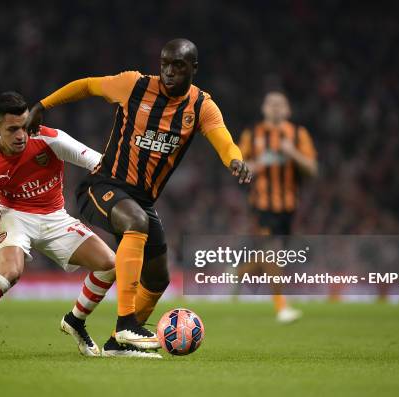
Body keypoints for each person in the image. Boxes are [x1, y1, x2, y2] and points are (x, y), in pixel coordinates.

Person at [24, 38, 252, 355]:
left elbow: (223, 138)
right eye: (165, 64)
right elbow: (88, 85)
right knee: (135, 221)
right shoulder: (134, 85)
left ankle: (117, 344)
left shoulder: (201, 107)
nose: (170, 72)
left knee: (158, 278)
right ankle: (126, 324)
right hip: (102, 187)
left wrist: (235, 160)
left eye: (179, 66)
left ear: (194, 68)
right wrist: (42, 106)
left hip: (141, 201)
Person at [0, 92, 119, 358]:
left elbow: (99, 163)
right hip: (16, 216)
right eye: (12, 129)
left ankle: (75, 320)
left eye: (24, 126)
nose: (21, 135)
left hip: (56, 217)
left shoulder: (51, 139)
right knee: (10, 271)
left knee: (111, 265)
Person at [238, 91, 318, 323]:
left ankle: (236, 274)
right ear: (263, 109)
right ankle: (282, 306)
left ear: (287, 110)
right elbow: (239, 166)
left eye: (279, 104)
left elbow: (312, 169)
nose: (274, 108)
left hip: (289, 206)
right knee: (272, 251)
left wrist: (291, 153)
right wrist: (258, 165)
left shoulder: (297, 135)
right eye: (270, 104)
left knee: (270, 257)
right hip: (262, 204)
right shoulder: (252, 134)